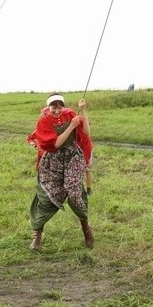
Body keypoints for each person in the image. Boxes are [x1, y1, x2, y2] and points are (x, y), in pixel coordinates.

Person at [28, 93, 94, 250]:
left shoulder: (70, 114)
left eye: (60, 107)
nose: (57, 111)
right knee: (47, 197)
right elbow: (56, 144)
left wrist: (83, 110)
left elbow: (86, 132)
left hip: (72, 158)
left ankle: (86, 228)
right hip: (52, 160)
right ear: (48, 107)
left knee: (75, 193)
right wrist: (71, 126)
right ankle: (37, 234)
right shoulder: (43, 121)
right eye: (53, 107)